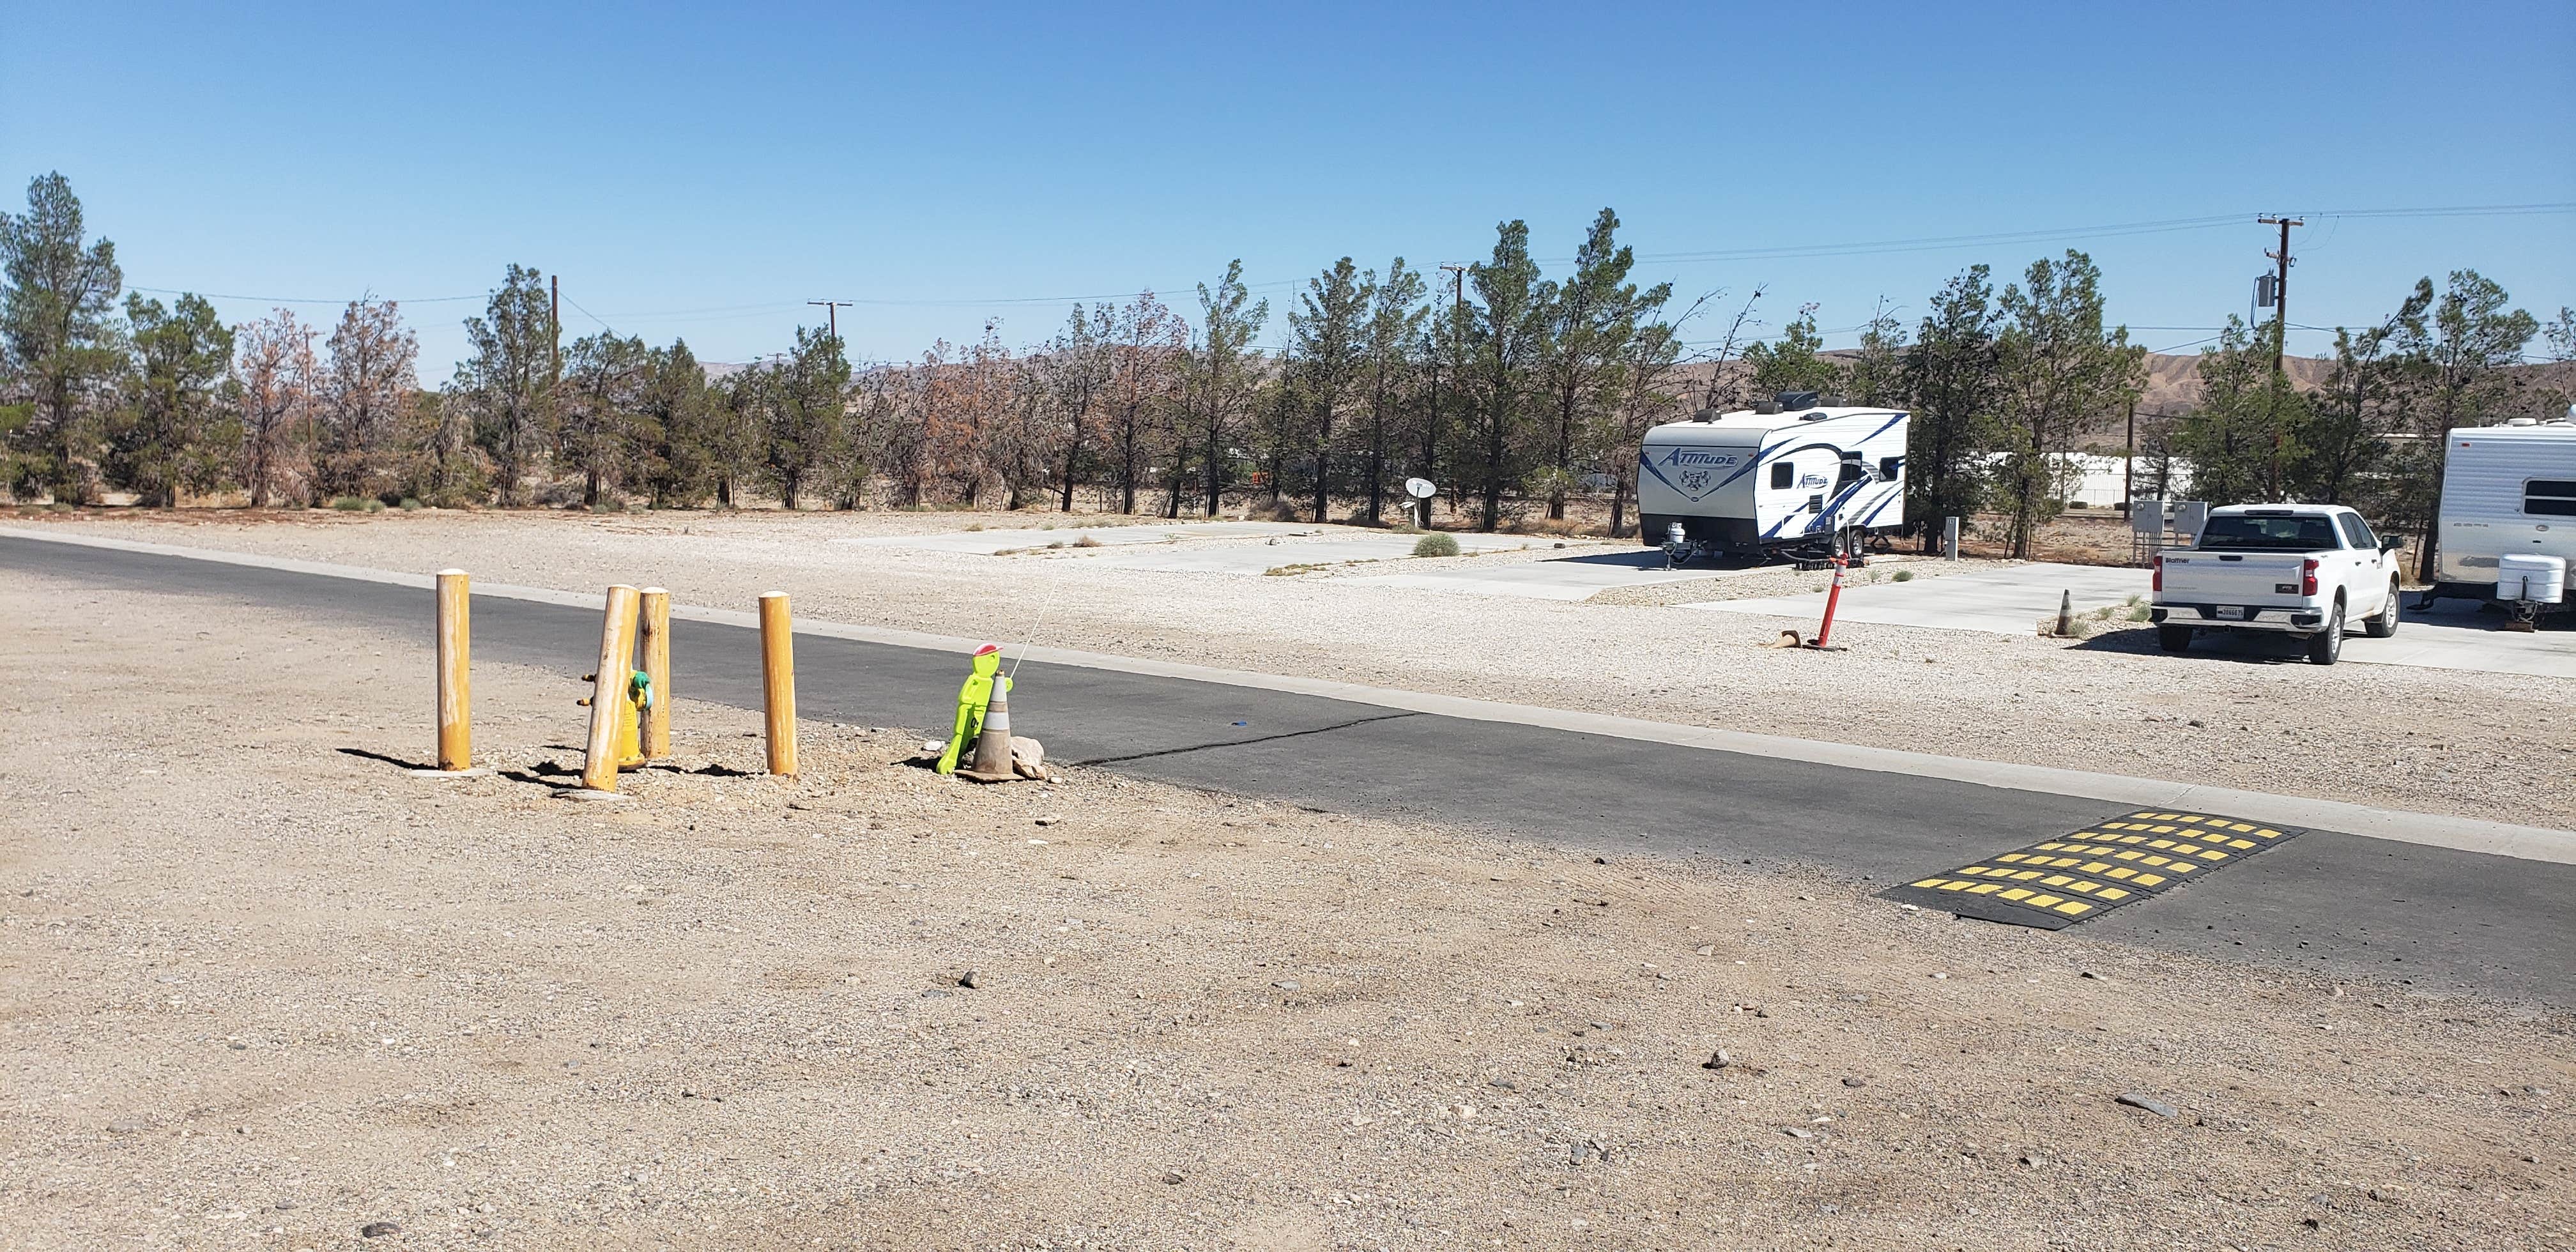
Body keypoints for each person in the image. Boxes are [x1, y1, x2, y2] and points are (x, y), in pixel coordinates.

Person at [935, 645, 1011, 775]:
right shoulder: (976, 680)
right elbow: (965, 697)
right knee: (961, 738)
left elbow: (994, 693)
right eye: (993, 657)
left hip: (981, 712)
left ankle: (968, 759)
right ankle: (951, 761)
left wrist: (1004, 685)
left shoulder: (987, 681)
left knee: (977, 737)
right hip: (970, 712)